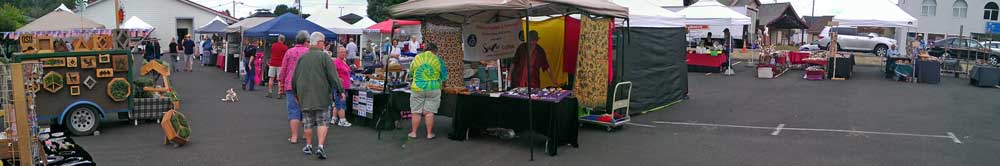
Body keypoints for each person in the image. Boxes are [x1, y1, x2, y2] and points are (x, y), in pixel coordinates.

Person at [292, 32, 343, 160]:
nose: (325, 45)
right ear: (319, 42)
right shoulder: (324, 57)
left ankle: (308, 146)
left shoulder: (302, 58)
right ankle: (320, 146)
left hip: (305, 97)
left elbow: (295, 78)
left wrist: (295, 94)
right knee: (323, 122)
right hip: (322, 96)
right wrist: (340, 90)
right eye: (324, 42)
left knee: (308, 123)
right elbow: (333, 75)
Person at [408, 42, 446, 139]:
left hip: (418, 87)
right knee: (429, 112)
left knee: (416, 112)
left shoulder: (417, 58)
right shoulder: (438, 60)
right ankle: (429, 134)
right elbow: (444, 76)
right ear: (435, 51)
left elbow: (411, 72)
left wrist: (413, 79)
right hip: (433, 88)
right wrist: (442, 85)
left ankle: (414, 133)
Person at [279, 31, 311, 145]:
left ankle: (294, 136)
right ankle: (305, 134)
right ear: (306, 41)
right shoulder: (309, 52)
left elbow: (284, 69)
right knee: (306, 110)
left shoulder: (289, 52)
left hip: (291, 84)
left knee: (293, 111)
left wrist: (281, 84)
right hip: (306, 85)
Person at [330, 46, 352, 127]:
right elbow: (332, 74)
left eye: (344, 52)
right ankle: (342, 120)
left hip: (345, 85)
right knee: (341, 103)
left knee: (337, 103)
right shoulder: (336, 62)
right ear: (338, 53)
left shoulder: (344, 61)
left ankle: (334, 118)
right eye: (341, 52)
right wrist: (338, 79)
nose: (343, 53)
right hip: (340, 86)